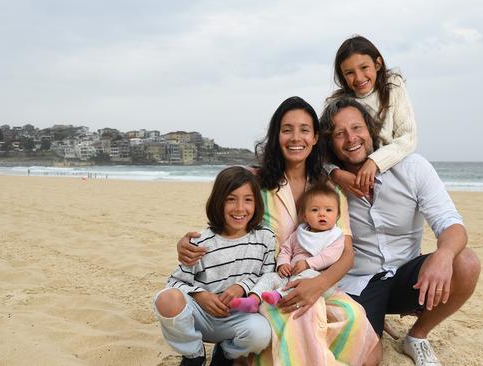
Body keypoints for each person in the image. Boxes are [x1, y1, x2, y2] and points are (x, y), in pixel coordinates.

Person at [177, 97, 380, 365]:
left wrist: (317, 285)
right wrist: (188, 244)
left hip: (319, 283)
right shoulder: (256, 183)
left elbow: (347, 253)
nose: (296, 138)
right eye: (287, 129)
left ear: (316, 137)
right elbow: (226, 223)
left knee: (358, 328)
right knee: (299, 321)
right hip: (264, 285)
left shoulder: (330, 189)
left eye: (305, 130)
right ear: (276, 135)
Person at [319, 97, 481, 366]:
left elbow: (450, 222)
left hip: (410, 278)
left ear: (371, 130)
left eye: (357, 128)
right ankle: (375, 318)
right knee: (364, 357)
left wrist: (443, 254)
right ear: (330, 143)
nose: (351, 138)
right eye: (339, 133)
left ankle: (417, 336)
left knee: (466, 261)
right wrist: (332, 172)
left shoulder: (413, 167)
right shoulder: (327, 184)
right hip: (360, 283)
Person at [154, 166, 274, 366]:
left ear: (257, 203)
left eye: (248, 199)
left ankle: (225, 354)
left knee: (261, 333)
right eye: (230, 199)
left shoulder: (265, 237)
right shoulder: (201, 242)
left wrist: (242, 287)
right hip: (201, 316)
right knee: (166, 299)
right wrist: (200, 296)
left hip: (236, 318)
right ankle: (194, 355)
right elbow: (175, 282)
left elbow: (269, 276)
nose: (239, 208)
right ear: (218, 201)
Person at [327, 35, 418, 198]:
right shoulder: (339, 103)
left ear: (377, 64)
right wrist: (335, 173)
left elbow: (408, 136)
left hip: (389, 165)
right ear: (342, 75)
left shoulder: (393, 86)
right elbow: (323, 148)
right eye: (349, 73)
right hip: (353, 175)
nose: (359, 78)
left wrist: (375, 161)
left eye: (364, 67)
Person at [229, 183, 345, 312]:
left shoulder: (335, 236)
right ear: (305, 216)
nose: (322, 214)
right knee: (269, 277)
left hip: (316, 280)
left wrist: (308, 263)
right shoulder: (299, 234)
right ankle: (253, 300)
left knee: (308, 275)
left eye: (328, 210)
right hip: (289, 276)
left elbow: (330, 256)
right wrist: (283, 264)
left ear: (337, 215)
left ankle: (278, 295)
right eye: (315, 210)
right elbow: (286, 250)